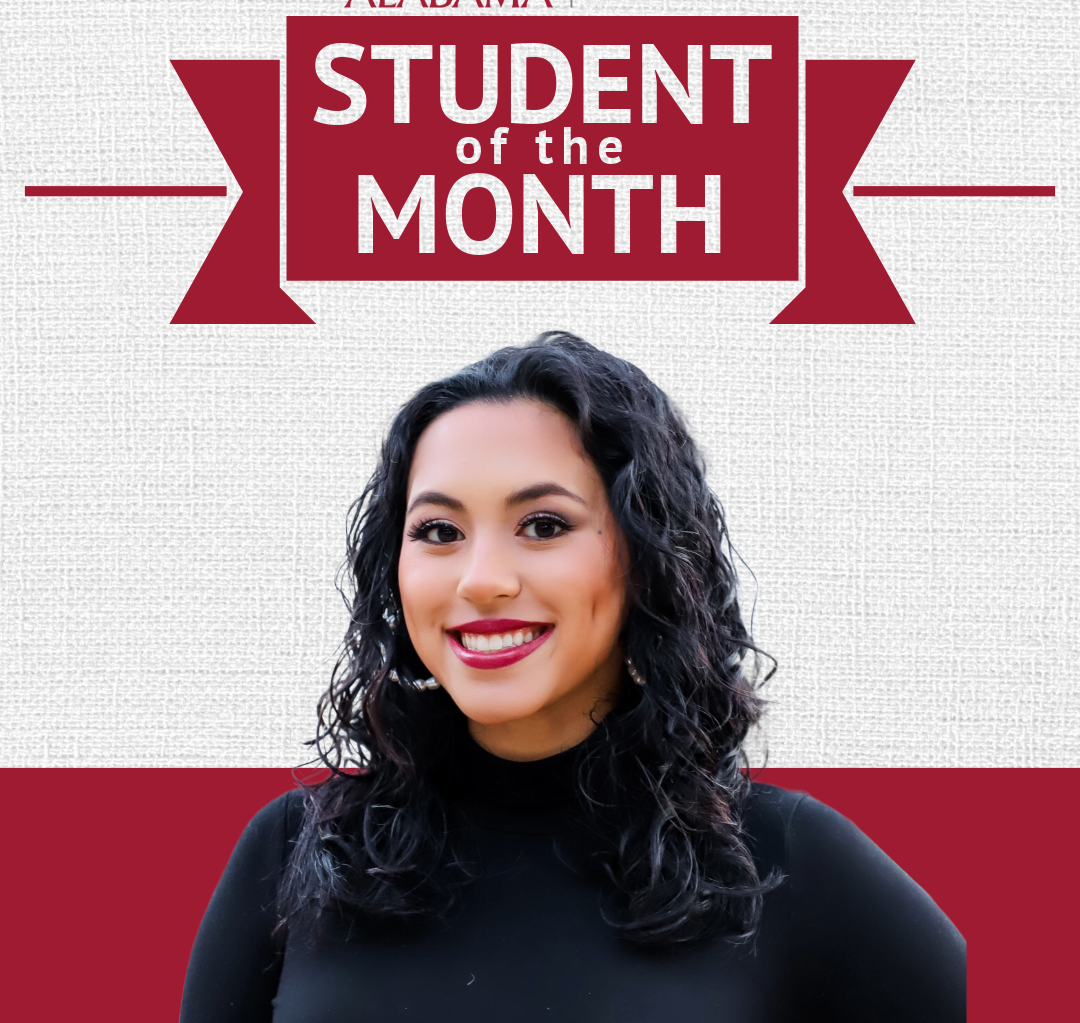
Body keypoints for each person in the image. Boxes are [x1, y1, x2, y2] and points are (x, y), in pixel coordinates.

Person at [180, 331, 966, 1022]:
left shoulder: (779, 858)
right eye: (440, 531)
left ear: (648, 559)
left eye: (544, 525)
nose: (482, 580)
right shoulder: (295, 851)